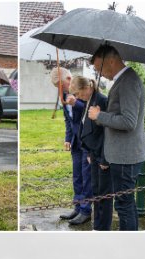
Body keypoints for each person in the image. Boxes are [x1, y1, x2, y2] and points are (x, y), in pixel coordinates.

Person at [88, 44, 145, 231]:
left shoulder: (128, 81)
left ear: (111, 60)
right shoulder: (124, 80)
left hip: (125, 156)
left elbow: (129, 122)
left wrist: (100, 116)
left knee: (123, 204)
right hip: (121, 154)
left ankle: (127, 247)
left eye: (99, 68)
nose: (99, 73)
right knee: (125, 203)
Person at [51, 68, 92, 225]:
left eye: (61, 85)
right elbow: (68, 120)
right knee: (77, 175)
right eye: (57, 88)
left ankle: (86, 210)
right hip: (75, 141)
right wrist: (68, 138)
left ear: (69, 78)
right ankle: (78, 206)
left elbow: (89, 110)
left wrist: (76, 104)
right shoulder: (63, 95)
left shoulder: (83, 89)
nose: (59, 90)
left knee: (86, 175)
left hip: (87, 141)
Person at [71, 76, 111, 230]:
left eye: (79, 94)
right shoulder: (88, 101)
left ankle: (103, 227)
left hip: (102, 155)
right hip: (92, 153)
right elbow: (83, 127)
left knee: (103, 195)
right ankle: (97, 225)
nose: (78, 98)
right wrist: (87, 151)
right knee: (95, 192)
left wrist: (104, 158)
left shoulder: (100, 101)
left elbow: (105, 133)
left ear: (87, 88)